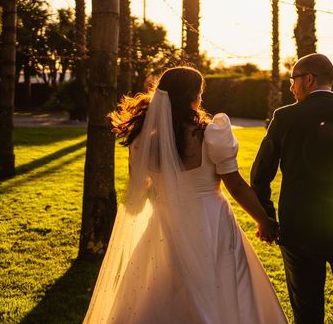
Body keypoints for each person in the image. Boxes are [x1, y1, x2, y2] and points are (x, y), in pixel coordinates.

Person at [84, 66, 288, 324]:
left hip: (165, 225)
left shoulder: (142, 141)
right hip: (211, 223)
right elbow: (235, 186)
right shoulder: (211, 134)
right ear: (194, 95)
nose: (201, 98)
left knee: (166, 290)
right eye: (200, 92)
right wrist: (264, 221)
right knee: (220, 289)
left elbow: (141, 195)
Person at [251, 53, 333, 324]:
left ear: (308, 79)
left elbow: (261, 174)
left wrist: (268, 217)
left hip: (299, 228)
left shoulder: (284, 117)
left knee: (307, 304)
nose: (290, 86)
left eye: (292, 79)